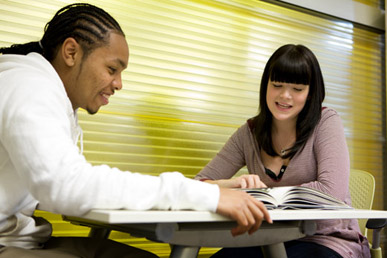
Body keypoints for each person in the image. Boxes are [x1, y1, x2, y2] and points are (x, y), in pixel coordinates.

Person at [0, 3, 271, 258]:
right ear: (71, 52)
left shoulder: (50, 96)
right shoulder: (30, 87)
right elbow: (65, 186)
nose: (119, 84)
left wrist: (205, 188)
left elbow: (64, 184)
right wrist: (205, 196)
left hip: (25, 238)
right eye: (112, 69)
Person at [195, 44, 370, 258]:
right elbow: (197, 186)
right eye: (277, 85)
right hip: (268, 239)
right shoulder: (249, 133)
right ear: (265, 86)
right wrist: (229, 186)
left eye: (297, 89)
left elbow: (332, 191)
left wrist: (260, 196)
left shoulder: (326, 122)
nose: (285, 96)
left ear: (310, 93)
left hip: (327, 240)